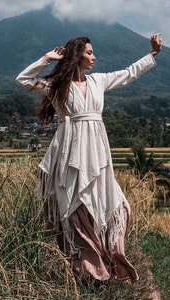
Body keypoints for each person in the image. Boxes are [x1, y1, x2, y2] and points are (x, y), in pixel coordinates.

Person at [16, 33, 162, 283]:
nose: (94, 57)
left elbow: (129, 73)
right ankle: (87, 267)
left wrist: (153, 54)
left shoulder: (99, 81)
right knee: (74, 202)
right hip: (69, 150)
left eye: (93, 53)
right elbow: (24, 79)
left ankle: (109, 256)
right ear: (77, 56)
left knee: (114, 203)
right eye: (89, 53)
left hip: (96, 150)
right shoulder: (57, 86)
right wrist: (47, 59)